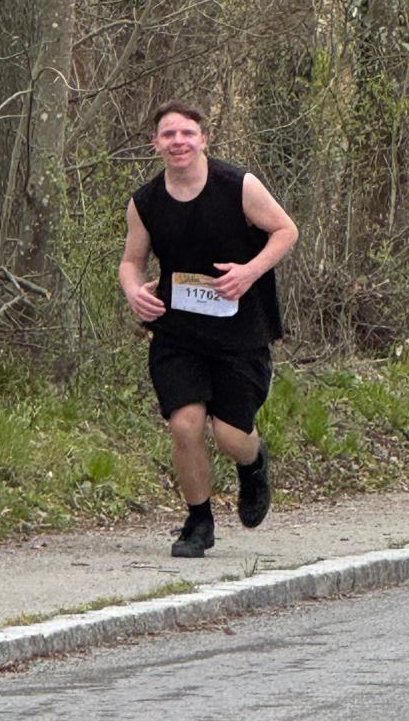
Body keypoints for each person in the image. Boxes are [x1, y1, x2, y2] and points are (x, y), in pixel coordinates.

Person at [119, 101, 299, 556]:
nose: (178, 141)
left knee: (230, 436)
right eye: (168, 134)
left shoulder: (238, 186)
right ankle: (198, 522)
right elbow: (131, 262)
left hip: (241, 332)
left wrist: (248, 272)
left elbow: (285, 231)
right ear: (155, 144)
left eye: (186, 133)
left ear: (203, 139)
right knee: (185, 424)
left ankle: (254, 462)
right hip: (178, 331)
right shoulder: (145, 203)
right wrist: (133, 290)